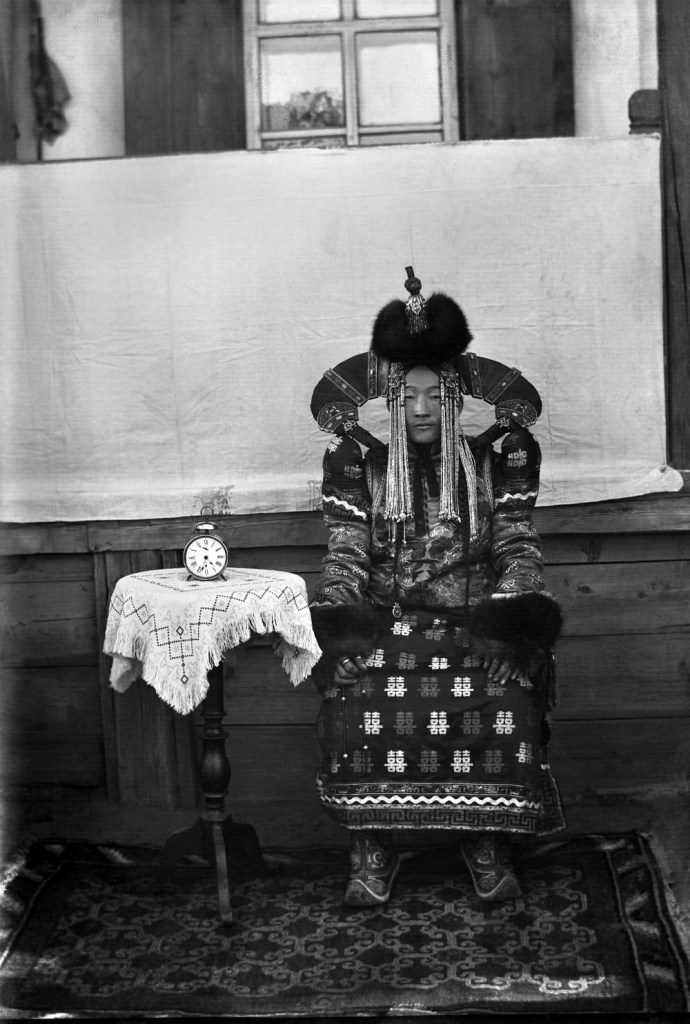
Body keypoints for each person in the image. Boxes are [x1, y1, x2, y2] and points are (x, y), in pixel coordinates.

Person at [309, 268, 565, 907]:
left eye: (436, 395)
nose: (421, 409)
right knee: (356, 685)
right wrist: (339, 628)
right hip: (391, 622)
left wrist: (510, 618)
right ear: (391, 403)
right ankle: (373, 842)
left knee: (505, 679)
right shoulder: (357, 467)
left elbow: (516, 542)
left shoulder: (494, 460)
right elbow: (345, 556)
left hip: (475, 619)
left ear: (456, 400)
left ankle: (488, 838)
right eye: (408, 397)